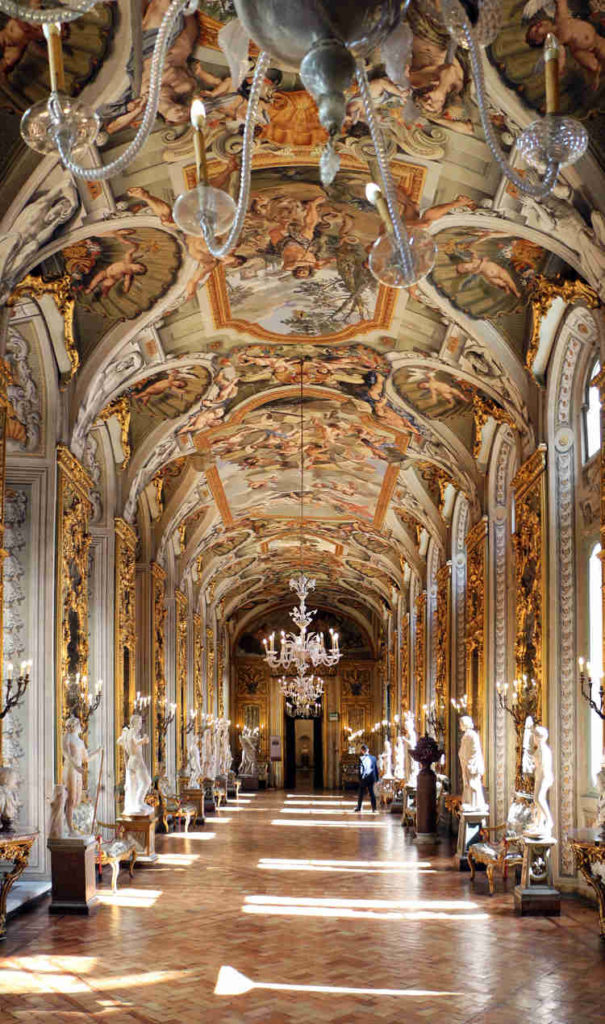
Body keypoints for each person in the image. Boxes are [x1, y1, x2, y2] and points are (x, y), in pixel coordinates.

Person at [354, 744, 379, 813]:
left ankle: (359, 808)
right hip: (371, 778)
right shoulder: (374, 758)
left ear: (362, 751)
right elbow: (376, 769)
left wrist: (360, 778)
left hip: (364, 778)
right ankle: (374, 809)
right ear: (368, 750)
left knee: (361, 793)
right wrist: (377, 779)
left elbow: (360, 769)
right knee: (372, 793)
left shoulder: (361, 758)